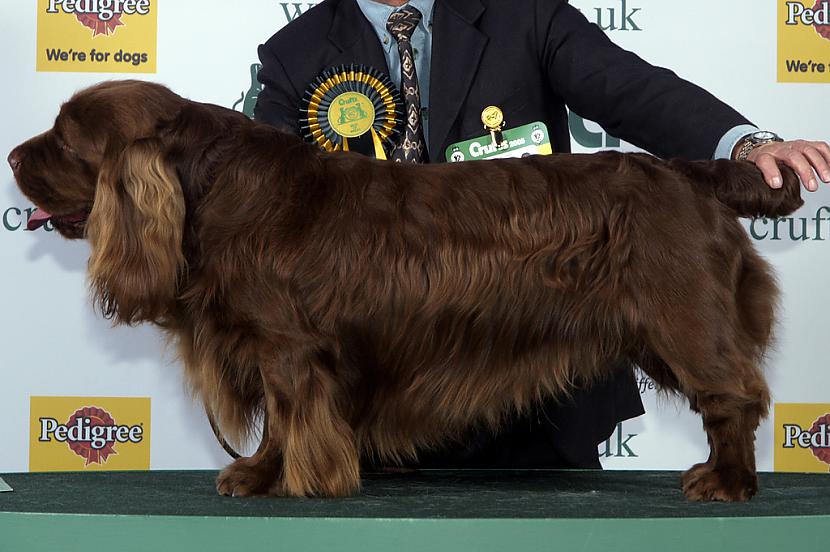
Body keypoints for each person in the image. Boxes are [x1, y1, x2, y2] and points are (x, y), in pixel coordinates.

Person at [254, 0, 830, 469]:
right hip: (372, 413)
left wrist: (746, 146)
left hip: (537, 394)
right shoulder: (293, 54)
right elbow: (270, 216)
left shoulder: (523, 14)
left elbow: (630, 89)